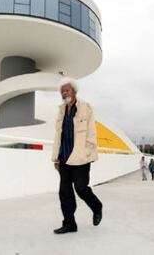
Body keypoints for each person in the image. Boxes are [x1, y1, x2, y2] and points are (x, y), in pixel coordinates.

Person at [51, 77, 103, 234]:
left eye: (66, 90)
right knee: (64, 193)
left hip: (80, 157)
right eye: (62, 91)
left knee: (80, 188)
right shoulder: (61, 110)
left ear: (74, 91)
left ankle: (97, 207)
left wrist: (88, 152)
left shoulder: (85, 107)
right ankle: (69, 224)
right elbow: (58, 135)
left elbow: (92, 132)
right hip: (65, 158)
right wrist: (56, 157)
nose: (64, 93)